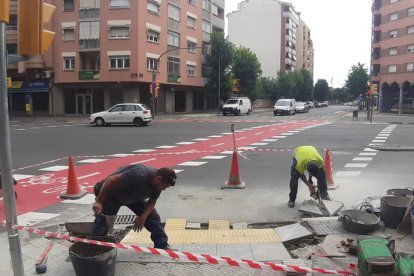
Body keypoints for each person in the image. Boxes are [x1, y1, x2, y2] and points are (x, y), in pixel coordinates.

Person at [92, 164, 177, 249]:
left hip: (131, 196)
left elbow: (152, 201)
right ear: (158, 178)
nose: (163, 189)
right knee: (104, 218)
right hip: (110, 194)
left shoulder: (158, 184)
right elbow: (111, 180)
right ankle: (97, 245)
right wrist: (99, 201)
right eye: (164, 186)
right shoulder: (139, 174)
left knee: (152, 216)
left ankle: (162, 245)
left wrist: (143, 217)